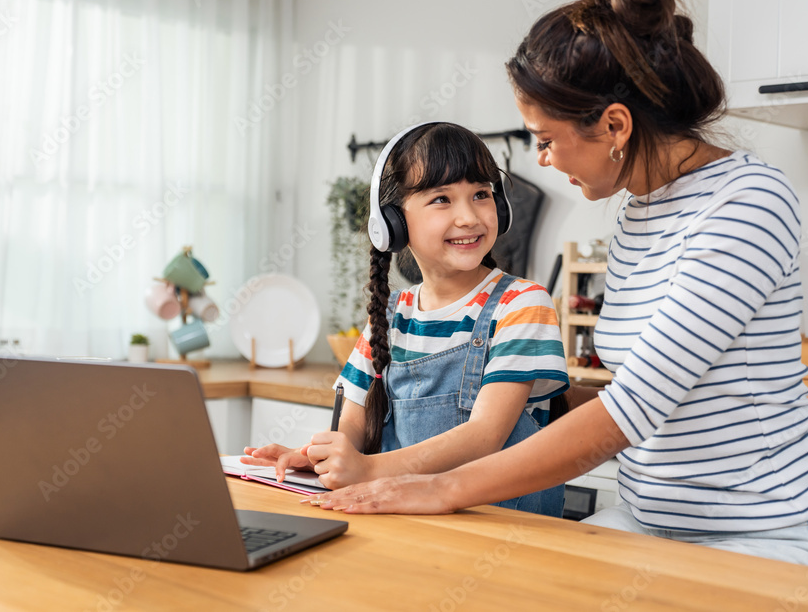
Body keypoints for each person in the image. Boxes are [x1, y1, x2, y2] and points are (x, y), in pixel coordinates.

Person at [306, 0, 808, 572]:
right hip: (649, 524)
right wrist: (531, 390)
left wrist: (432, 486)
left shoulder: (747, 202)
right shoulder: (639, 210)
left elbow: (633, 409)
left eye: (544, 140)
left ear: (615, 126)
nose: (541, 161)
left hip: (763, 533)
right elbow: (636, 390)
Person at [242, 121, 569, 516]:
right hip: (410, 521)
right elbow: (353, 425)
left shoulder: (522, 303)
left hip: (502, 526)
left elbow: (485, 435)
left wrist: (366, 468)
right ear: (393, 224)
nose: (468, 217)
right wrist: (324, 458)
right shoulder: (390, 315)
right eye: (442, 200)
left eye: (481, 194)